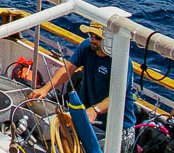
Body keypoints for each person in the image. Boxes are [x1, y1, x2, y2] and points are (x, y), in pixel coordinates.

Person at [30, 21, 137, 153]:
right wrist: (45, 89)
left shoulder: (122, 62)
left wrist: (95, 110)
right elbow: (68, 69)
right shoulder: (87, 46)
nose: (92, 39)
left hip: (117, 129)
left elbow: (117, 97)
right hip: (88, 121)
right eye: (90, 34)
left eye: (98, 37)